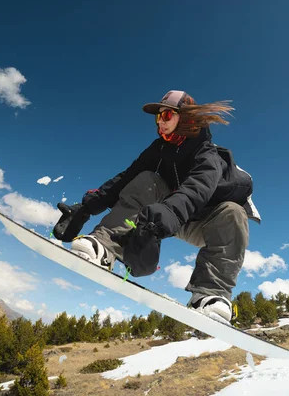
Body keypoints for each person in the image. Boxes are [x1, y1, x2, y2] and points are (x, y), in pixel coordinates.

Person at [53, 90, 261, 323]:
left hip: (203, 222)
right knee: (145, 180)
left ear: (185, 117)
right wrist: (86, 207)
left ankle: (211, 296)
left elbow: (198, 188)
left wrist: (170, 211)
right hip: (162, 216)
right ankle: (105, 247)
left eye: (167, 115)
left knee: (233, 212)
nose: (160, 122)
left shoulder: (207, 153)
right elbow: (126, 178)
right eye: (158, 117)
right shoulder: (159, 149)